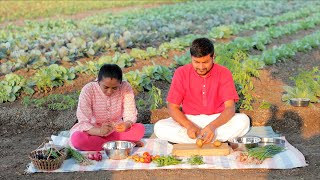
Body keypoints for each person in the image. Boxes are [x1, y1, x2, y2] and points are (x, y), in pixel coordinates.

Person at [154, 38, 250, 144]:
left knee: (243, 121)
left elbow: (230, 108)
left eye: (205, 62)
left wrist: (212, 126)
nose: (201, 67)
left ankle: (197, 139)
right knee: (160, 127)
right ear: (191, 58)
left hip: (217, 120)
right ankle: (210, 139)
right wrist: (189, 126)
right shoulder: (181, 73)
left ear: (213, 57)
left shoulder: (224, 73)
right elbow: (173, 107)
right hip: (190, 119)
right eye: (196, 62)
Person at [70, 64, 145, 151]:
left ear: (120, 83)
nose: (109, 91)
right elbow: (83, 120)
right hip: (94, 131)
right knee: (77, 139)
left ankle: (102, 145)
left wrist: (126, 124)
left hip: (116, 130)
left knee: (140, 129)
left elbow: (130, 113)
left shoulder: (125, 87)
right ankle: (121, 143)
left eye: (114, 88)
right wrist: (100, 131)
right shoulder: (88, 90)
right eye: (105, 87)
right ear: (98, 81)